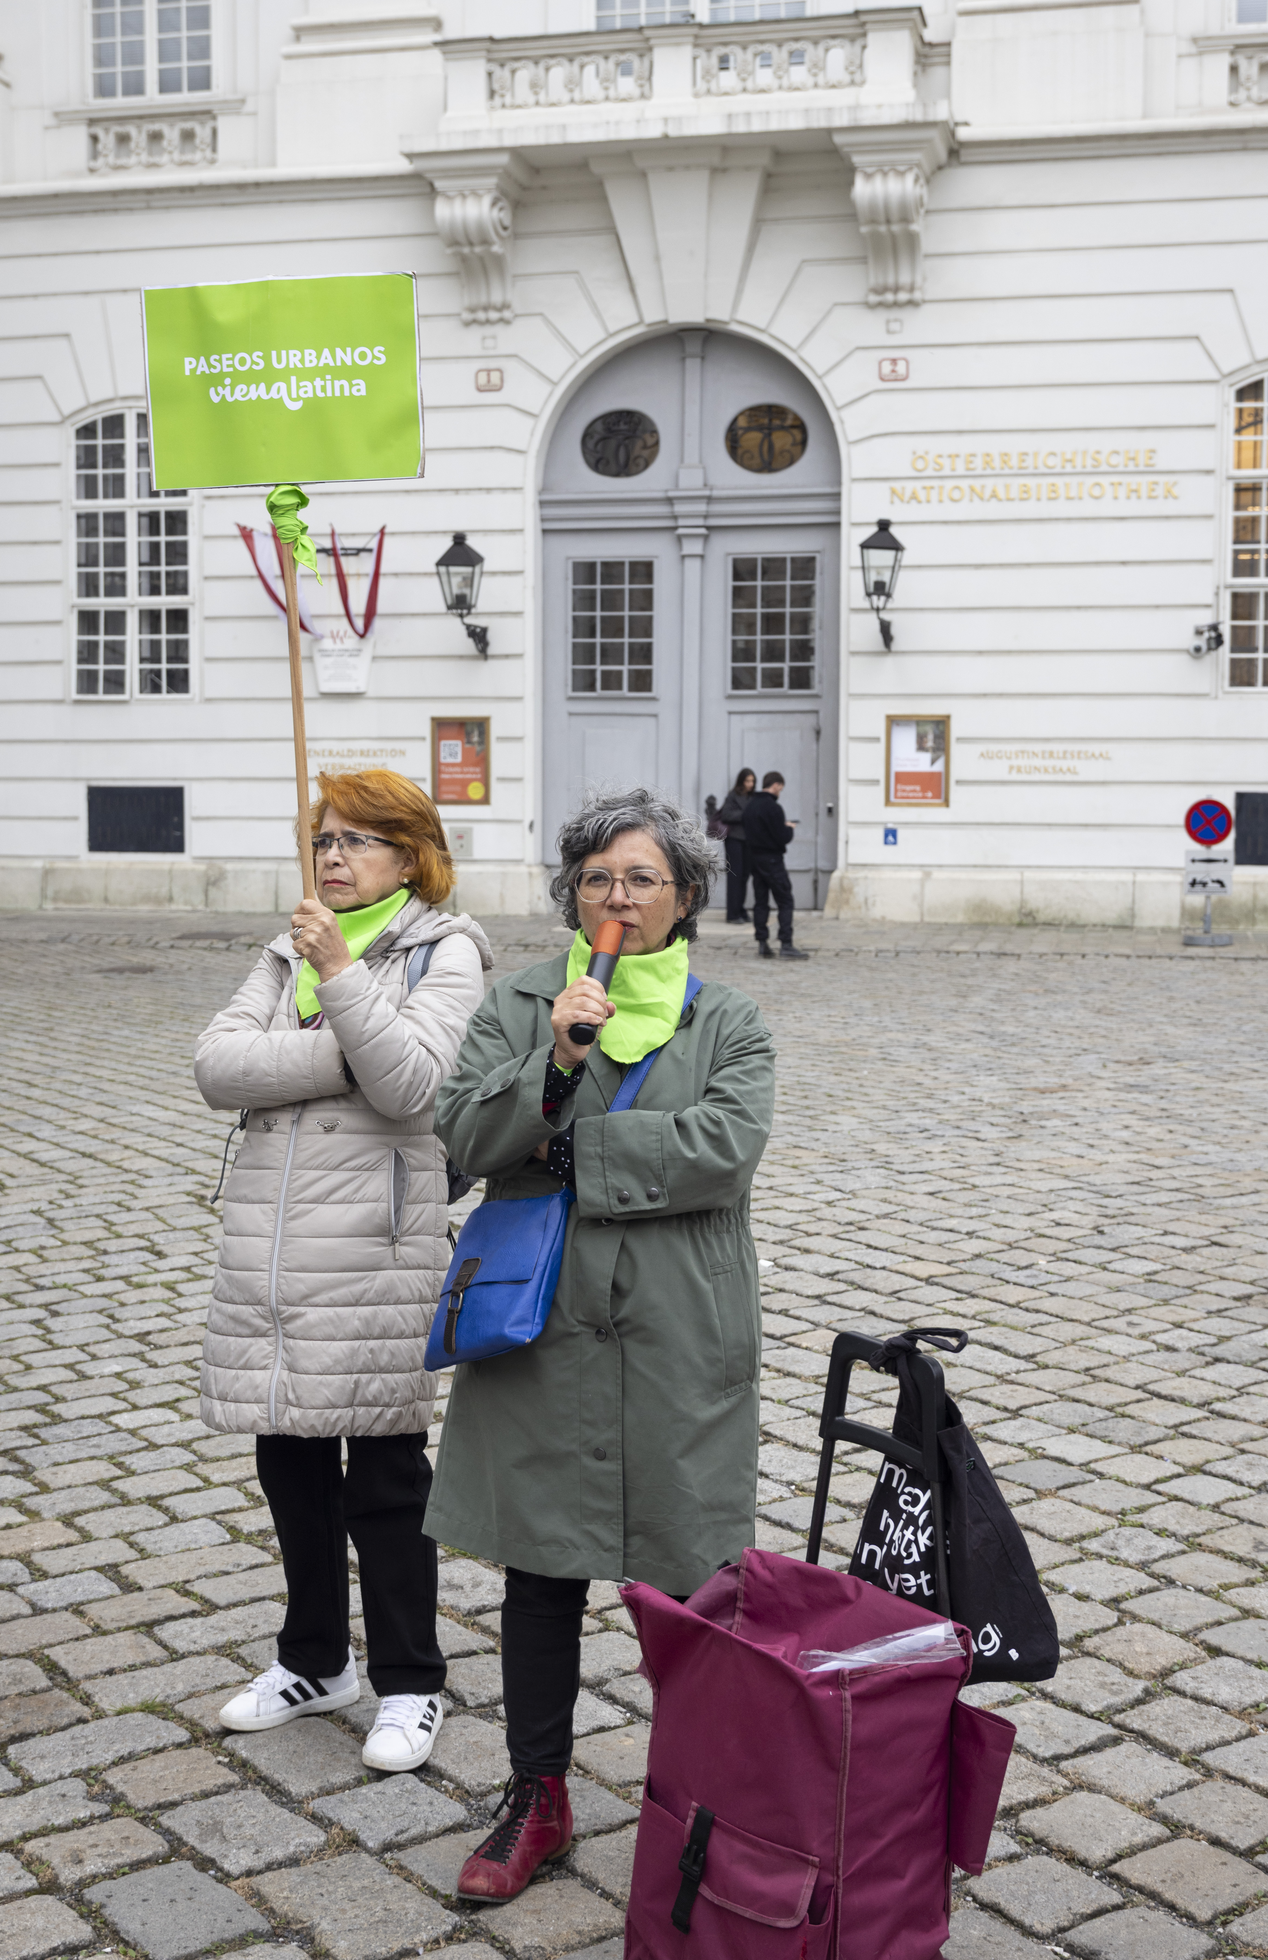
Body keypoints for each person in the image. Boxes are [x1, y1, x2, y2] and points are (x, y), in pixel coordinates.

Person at [426, 786, 776, 1900]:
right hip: (544, 1323)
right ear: (569, 893)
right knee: (540, 1566)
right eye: (597, 878)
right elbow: (464, 1135)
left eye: (642, 878)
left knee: (689, 1578)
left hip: (680, 1324)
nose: (617, 896)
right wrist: (556, 1061)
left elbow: (724, 1145)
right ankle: (539, 1793)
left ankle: (705, 1798)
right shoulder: (525, 999)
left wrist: (575, 1151)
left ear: (683, 899)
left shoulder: (728, 1020)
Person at [194, 769, 493, 1773]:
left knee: (386, 1477)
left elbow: (413, 1082)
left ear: (408, 856)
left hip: (375, 1247)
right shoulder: (289, 947)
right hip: (274, 1250)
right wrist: (338, 1044)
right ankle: (314, 1659)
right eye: (325, 838)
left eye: (358, 839)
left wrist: (341, 986)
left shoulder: (445, 950)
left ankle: (410, 1679)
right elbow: (218, 1066)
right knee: (288, 1466)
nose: (332, 855)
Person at [744, 771, 809, 961]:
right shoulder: (773, 808)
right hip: (772, 860)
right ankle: (786, 943)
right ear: (776, 785)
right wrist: (788, 828)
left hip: (755, 860)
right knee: (785, 900)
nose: (780, 791)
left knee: (761, 901)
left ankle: (763, 943)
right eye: (780, 788)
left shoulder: (750, 806)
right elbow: (782, 837)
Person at [719, 766, 756, 922]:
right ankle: (732, 914)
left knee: (744, 876)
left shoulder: (753, 797)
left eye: (753, 781)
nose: (750, 784)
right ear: (742, 781)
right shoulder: (733, 795)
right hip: (734, 840)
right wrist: (746, 814)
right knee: (735, 876)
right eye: (748, 781)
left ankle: (740, 910)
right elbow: (726, 814)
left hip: (749, 840)